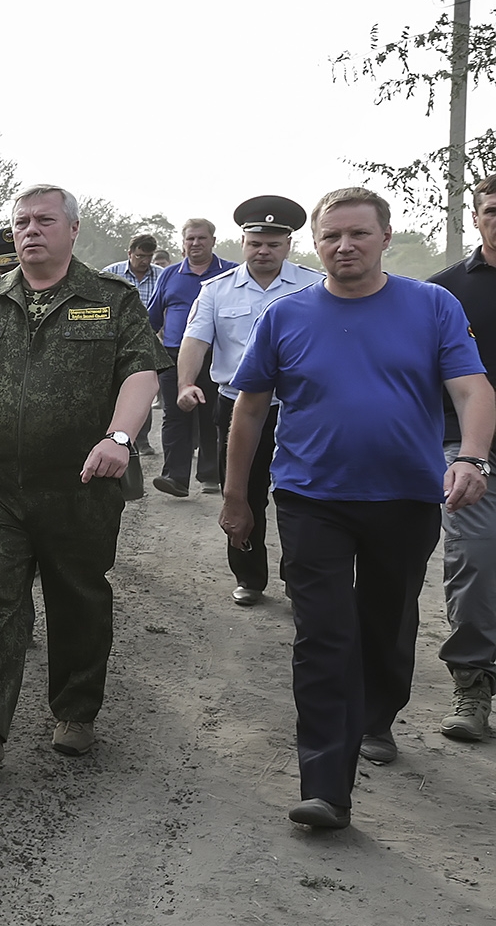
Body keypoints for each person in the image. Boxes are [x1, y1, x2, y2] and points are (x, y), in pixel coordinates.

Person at [225, 186, 493, 830]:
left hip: (404, 498)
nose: (343, 246)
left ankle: (378, 714)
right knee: (322, 634)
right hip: (310, 498)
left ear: (385, 238)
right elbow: (252, 408)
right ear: (315, 245)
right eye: (331, 236)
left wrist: (472, 457)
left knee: (387, 621)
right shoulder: (287, 317)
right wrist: (238, 497)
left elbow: (471, 387)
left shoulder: (432, 305)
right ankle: (325, 783)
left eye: (358, 235)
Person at [0, 185, 166, 769]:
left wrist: (119, 438)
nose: (30, 231)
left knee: (78, 599)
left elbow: (142, 373)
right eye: (21, 222)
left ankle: (75, 713)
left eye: (43, 220)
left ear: (73, 229)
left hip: (81, 483)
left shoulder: (112, 299)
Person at [174, 196, 317, 606]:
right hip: (236, 407)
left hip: (299, 410)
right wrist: (186, 384)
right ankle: (249, 577)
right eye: (256, 243)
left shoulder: (313, 286)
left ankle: (298, 579)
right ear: (243, 243)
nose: (264, 251)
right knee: (241, 493)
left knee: (299, 495)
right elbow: (195, 341)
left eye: (273, 243)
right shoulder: (217, 291)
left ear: (288, 244)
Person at [426, 172, 496, 743]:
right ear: (476, 217)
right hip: (470, 454)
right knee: (473, 557)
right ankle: (472, 684)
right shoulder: (444, 293)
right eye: (491, 208)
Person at [148, 219, 236, 496]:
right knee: (175, 414)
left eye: (201, 238)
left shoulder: (230, 274)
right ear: (182, 242)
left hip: (216, 355)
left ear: (212, 240)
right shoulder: (169, 275)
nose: (195, 243)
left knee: (213, 415)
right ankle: (175, 477)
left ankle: (211, 474)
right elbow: (151, 317)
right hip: (173, 355)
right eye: (190, 239)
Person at [101, 233, 162, 453]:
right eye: (139, 256)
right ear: (130, 253)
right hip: (115, 340)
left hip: (149, 340)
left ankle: (141, 440)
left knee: (142, 389)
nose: (144, 260)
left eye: (148, 256)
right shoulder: (111, 274)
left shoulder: (161, 276)